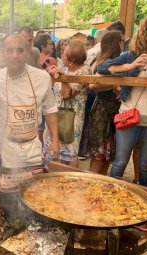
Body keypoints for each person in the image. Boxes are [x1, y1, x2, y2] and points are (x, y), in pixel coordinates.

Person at [0, 34, 59, 234]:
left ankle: (34, 227)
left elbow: (50, 109)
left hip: (32, 145)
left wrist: (55, 140)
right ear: (2, 53)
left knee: (33, 190)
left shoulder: (42, 77)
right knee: (7, 191)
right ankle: (12, 225)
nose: (15, 55)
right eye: (9, 51)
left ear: (27, 52)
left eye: (20, 50)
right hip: (7, 146)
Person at [97, 14, 147, 187]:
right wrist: (131, 66)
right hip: (129, 117)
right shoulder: (132, 54)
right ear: (145, 33)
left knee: (146, 166)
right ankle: (110, 198)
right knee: (120, 162)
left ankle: (144, 201)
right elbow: (103, 67)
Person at [48, 39, 91, 168]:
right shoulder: (68, 69)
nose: (61, 55)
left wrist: (63, 79)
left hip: (71, 118)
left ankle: (69, 178)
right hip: (60, 114)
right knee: (59, 149)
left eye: (64, 54)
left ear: (72, 59)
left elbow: (67, 95)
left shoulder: (84, 72)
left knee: (70, 151)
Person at [87, 31, 124, 174]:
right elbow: (93, 85)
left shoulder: (114, 61)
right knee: (99, 152)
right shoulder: (105, 63)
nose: (123, 44)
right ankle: (91, 186)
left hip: (111, 111)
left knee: (107, 153)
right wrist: (114, 85)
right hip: (102, 112)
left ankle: (99, 187)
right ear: (116, 43)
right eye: (121, 41)